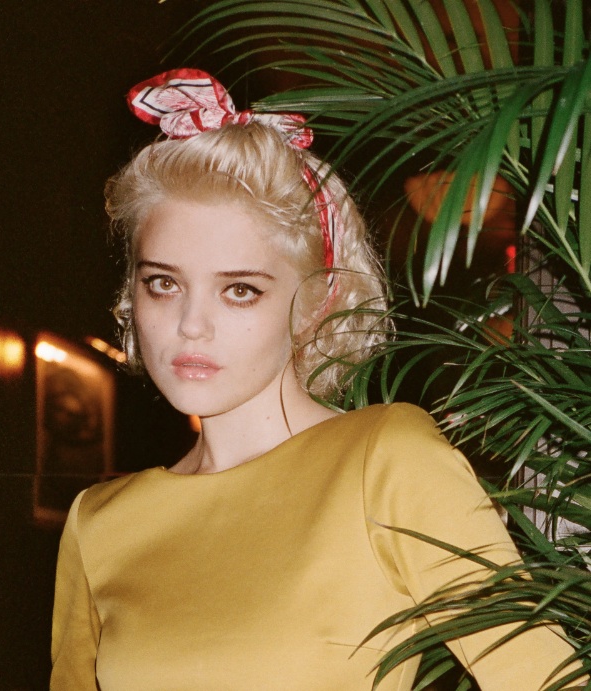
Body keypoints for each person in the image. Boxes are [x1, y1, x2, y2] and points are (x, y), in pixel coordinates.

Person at [50, 69, 582, 690]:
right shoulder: (100, 521)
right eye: (163, 283)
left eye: (239, 290)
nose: (190, 325)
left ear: (316, 301)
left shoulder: (383, 460)